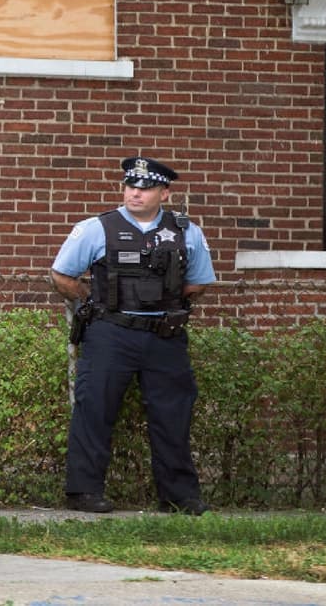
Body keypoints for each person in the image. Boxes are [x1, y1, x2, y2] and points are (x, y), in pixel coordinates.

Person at [50, 157, 216, 515]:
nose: (135, 193)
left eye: (145, 188)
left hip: (164, 335)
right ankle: (84, 492)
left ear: (164, 193)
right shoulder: (96, 229)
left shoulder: (187, 232)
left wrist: (166, 300)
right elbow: (62, 275)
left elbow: (198, 282)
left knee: (173, 414)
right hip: (111, 332)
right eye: (130, 186)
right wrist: (92, 300)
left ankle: (179, 497)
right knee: (94, 408)